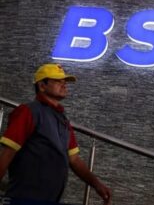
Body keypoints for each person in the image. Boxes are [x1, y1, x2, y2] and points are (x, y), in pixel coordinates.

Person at [0, 63, 112, 204]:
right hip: (24, 198)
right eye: (58, 81)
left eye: (65, 82)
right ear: (42, 86)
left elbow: (74, 160)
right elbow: (7, 153)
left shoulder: (63, 118)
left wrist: (97, 184)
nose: (64, 85)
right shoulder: (28, 111)